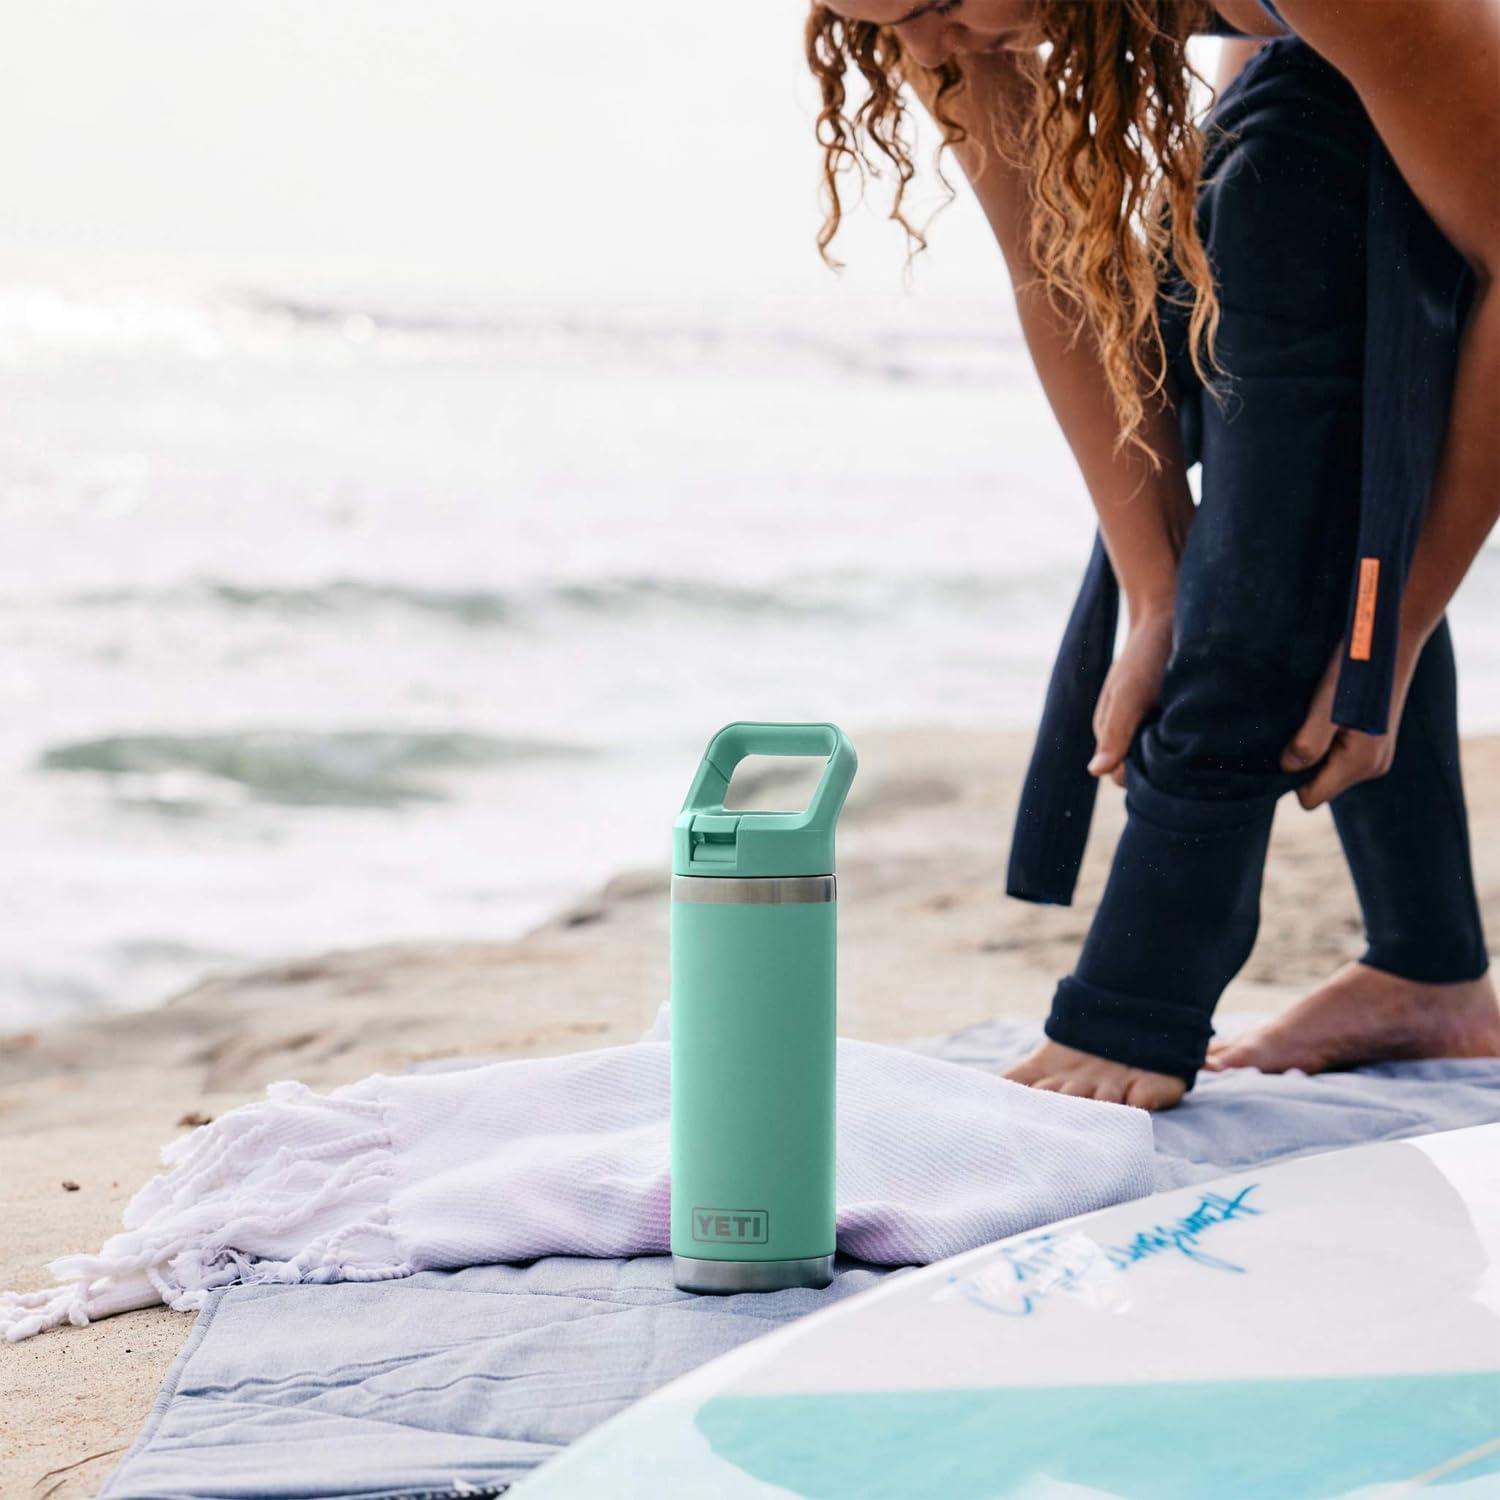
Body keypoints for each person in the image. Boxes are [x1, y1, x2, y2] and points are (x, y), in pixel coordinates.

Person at [805, 0, 1500, 1108]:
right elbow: (1056, 271)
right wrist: (1155, 589)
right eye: (876, 17)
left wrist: (1396, 627)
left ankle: (1141, 998)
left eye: (935, 4)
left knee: (1284, 189)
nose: (924, 44)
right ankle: (1429, 970)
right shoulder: (940, 23)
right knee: (1244, 206)